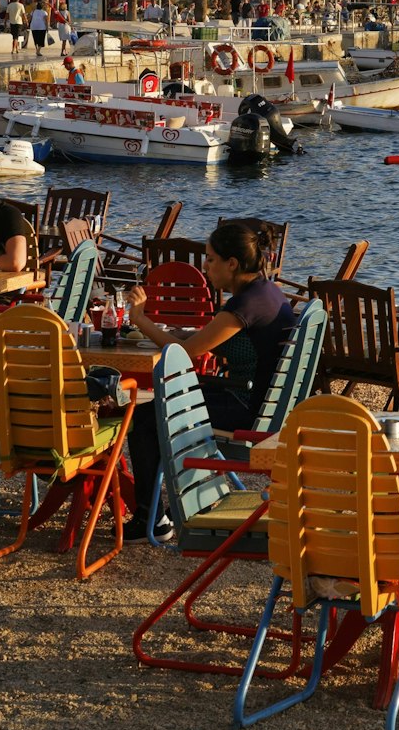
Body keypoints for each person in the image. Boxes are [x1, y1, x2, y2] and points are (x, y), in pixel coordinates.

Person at [120, 220, 295, 540]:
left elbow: (185, 354)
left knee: (146, 418)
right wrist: (171, 331)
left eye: (211, 259)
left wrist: (141, 319)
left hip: (248, 409)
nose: (205, 266)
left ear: (232, 264)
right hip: (263, 402)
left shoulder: (244, 305)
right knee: (163, 408)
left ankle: (153, 519)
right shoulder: (267, 291)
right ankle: (183, 502)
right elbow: (206, 340)